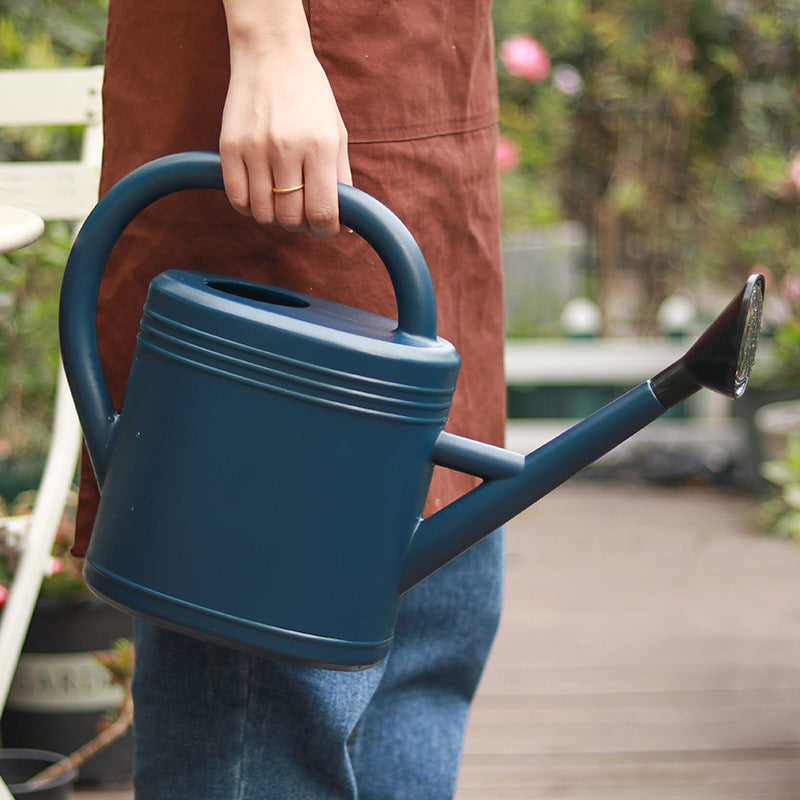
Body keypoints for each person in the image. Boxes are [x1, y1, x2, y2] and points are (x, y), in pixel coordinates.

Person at [73, 0, 507, 796]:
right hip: (283, 69)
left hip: (424, 79)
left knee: (431, 627)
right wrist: (269, 41)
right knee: (260, 685)